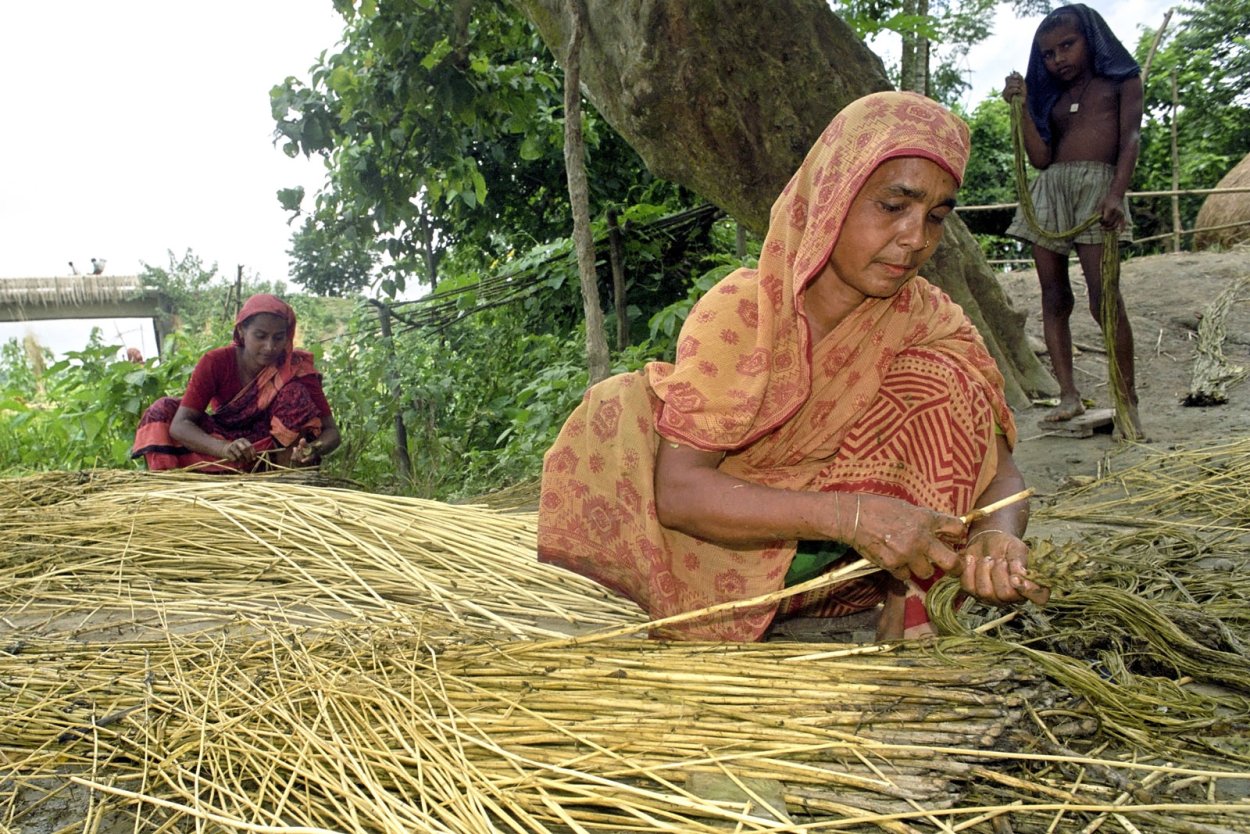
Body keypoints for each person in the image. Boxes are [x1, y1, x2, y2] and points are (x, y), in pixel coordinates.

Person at [537, 91, 1049, 643]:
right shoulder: (746, 313)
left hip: (850, 576)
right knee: (621, 404)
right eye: (892, 206)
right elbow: (680, 492)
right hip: (720, 564)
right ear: (833, 196)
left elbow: (1001, 476)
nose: (915, 237)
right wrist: (851, 516)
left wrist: (997, 536)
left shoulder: (927, 319)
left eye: (936, 217)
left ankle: (910, 617)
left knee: (943, 381)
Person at [1002, 3, 1144, 438]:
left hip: (1098, 190)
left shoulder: (1122, 82)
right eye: (1048, 53)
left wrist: (1116, 193)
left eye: (1067, 46)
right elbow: (1040, 158)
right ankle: (1068, 395)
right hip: (1051, 191)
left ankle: (1128, 402)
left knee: (1105, 299)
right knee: (1054, 297)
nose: (1058, 59)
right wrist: (1022, 106)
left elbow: (1131, 138)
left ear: (1090, 39)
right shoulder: (1052, 96)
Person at [131, 293, 340, 472]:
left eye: (278, 338)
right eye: (260, 336)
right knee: (162, 409)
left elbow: (332, 433)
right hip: (225, 449)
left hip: (271, 459)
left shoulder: (296, 369)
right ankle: (174, 483)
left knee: (294, 394)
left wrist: (313, 449)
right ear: (241, 331)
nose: (270, 347)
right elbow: (180, 425)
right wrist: (223, 448)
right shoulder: (216, 362)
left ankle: (286, 480)